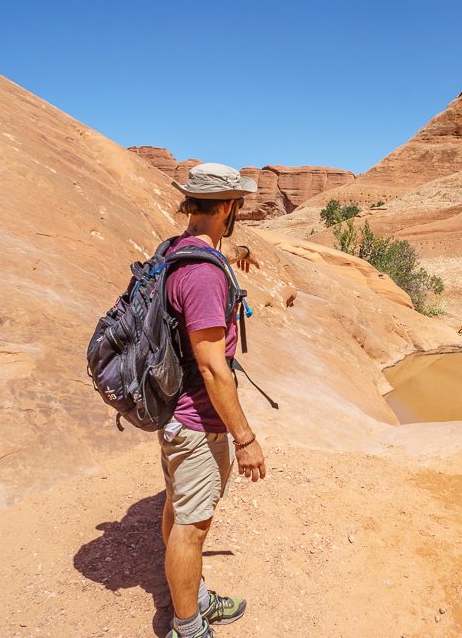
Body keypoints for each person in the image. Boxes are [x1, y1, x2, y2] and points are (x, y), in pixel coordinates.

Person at [160, 162, 267, 638]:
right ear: (229, 206)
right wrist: (244, 438)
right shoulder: (203, 276)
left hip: (173, 414)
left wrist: (236, 253)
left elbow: (215, 252)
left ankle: (196, 598)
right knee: (192, 526)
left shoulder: (177, 249)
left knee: (179, 507)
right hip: (197, 420)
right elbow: (211, 366)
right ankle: (189, 627)